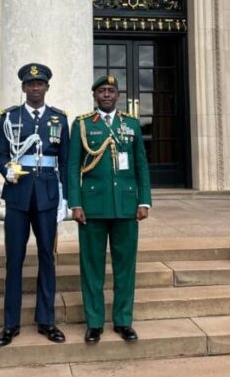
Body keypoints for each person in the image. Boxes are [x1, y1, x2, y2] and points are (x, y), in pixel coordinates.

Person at [67, 74, 151, 344]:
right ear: (94, 95)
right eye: (101, 90)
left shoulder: (131, 125)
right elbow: (72, 167)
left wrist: (144, 200)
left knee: (125, 267)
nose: (106, 95)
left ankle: (123, 320)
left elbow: (141, 166)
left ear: (117, 96)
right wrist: (75, 203)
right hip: (92, 207)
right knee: (92, 267)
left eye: (111, 91)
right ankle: (94, 322)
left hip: (126, 206)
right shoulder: (81, 125)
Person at [0, 63, 69, 347]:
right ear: (23, 88)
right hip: (18, 193)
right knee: (14, 258)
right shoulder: (9, 117)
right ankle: (10, 323)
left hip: (48, 195)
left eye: (40, 84)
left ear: (47, 88)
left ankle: (46, 320)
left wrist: (64, 198)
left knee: (47, 258)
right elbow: (0, 153)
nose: (35, 88)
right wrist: (6, 170)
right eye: (30, 84)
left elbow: (64, 160)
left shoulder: (58, 119)